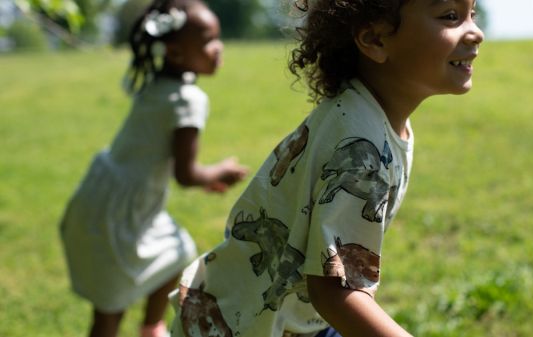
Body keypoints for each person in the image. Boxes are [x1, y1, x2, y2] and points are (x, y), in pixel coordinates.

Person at [170, 0, 484, 336]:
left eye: (472, 15)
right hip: (241, 325)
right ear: (376, 40)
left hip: (294, 319)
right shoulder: (360, 137)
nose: (476, 33)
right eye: (450, 16)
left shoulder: (372, 119)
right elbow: (335, 292)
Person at [59, 1, 248, 336]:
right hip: (123, 215)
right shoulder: (188, 100)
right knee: (111, 307)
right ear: (174, 53)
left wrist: (207, 178)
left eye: (218, 38)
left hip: (103, 195)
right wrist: (220, 172)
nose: (218, 48)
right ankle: (151, 325)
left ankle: (152, 326)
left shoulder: (155, 84)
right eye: (207, 41)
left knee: (177, 251)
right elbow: (185, 175)